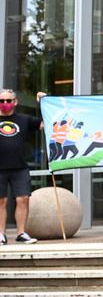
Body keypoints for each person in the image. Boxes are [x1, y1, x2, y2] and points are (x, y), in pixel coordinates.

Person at [0, 89, 45, 246]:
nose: (5, 104)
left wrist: (43, 104)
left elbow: (43, 125)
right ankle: (1, 234)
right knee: (1, 201)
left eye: (9, 100)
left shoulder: (24, 119)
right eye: (2, 101)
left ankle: (21, 233)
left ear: (15, 102)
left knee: (23, 199)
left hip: (20, 167)